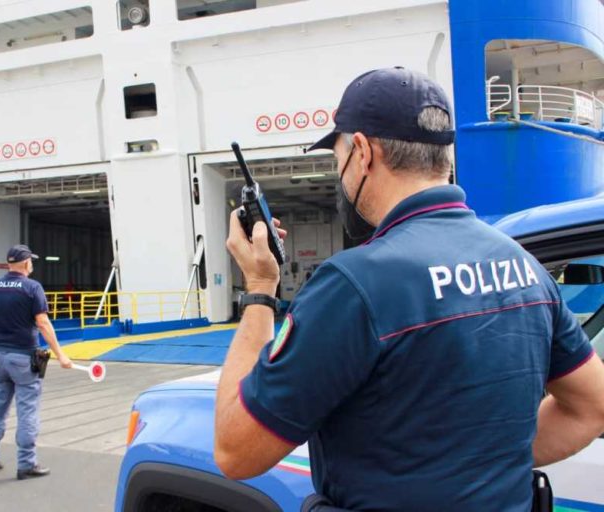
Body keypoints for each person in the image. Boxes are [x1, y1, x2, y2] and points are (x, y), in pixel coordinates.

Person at [214, 67, 604, 511]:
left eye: (337, 157)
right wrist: (480, 462)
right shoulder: (524, 266)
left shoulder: (354, 286)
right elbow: (590, 406)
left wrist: (261, 289)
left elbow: (235, 451)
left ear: (361, 152)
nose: (339, 174)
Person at [0, 244, 73, 480]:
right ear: (25, 263)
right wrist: (61, 354)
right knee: (27, 410)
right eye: (31, 261)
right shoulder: (32, 288)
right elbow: (42, 323)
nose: (33, 264)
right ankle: (26, 464)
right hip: (23, 358)